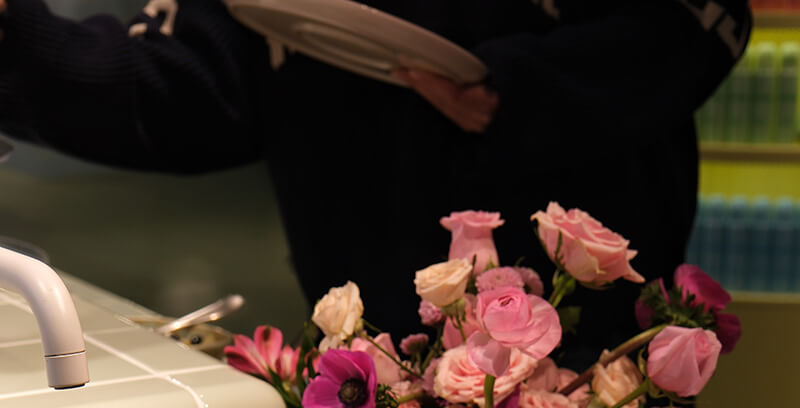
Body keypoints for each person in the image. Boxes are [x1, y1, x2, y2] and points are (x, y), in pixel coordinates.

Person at [0, 0, 752, 360]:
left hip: (593, 335)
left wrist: (520, 89)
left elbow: (703, 19)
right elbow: (186, 80)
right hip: (371, 343)